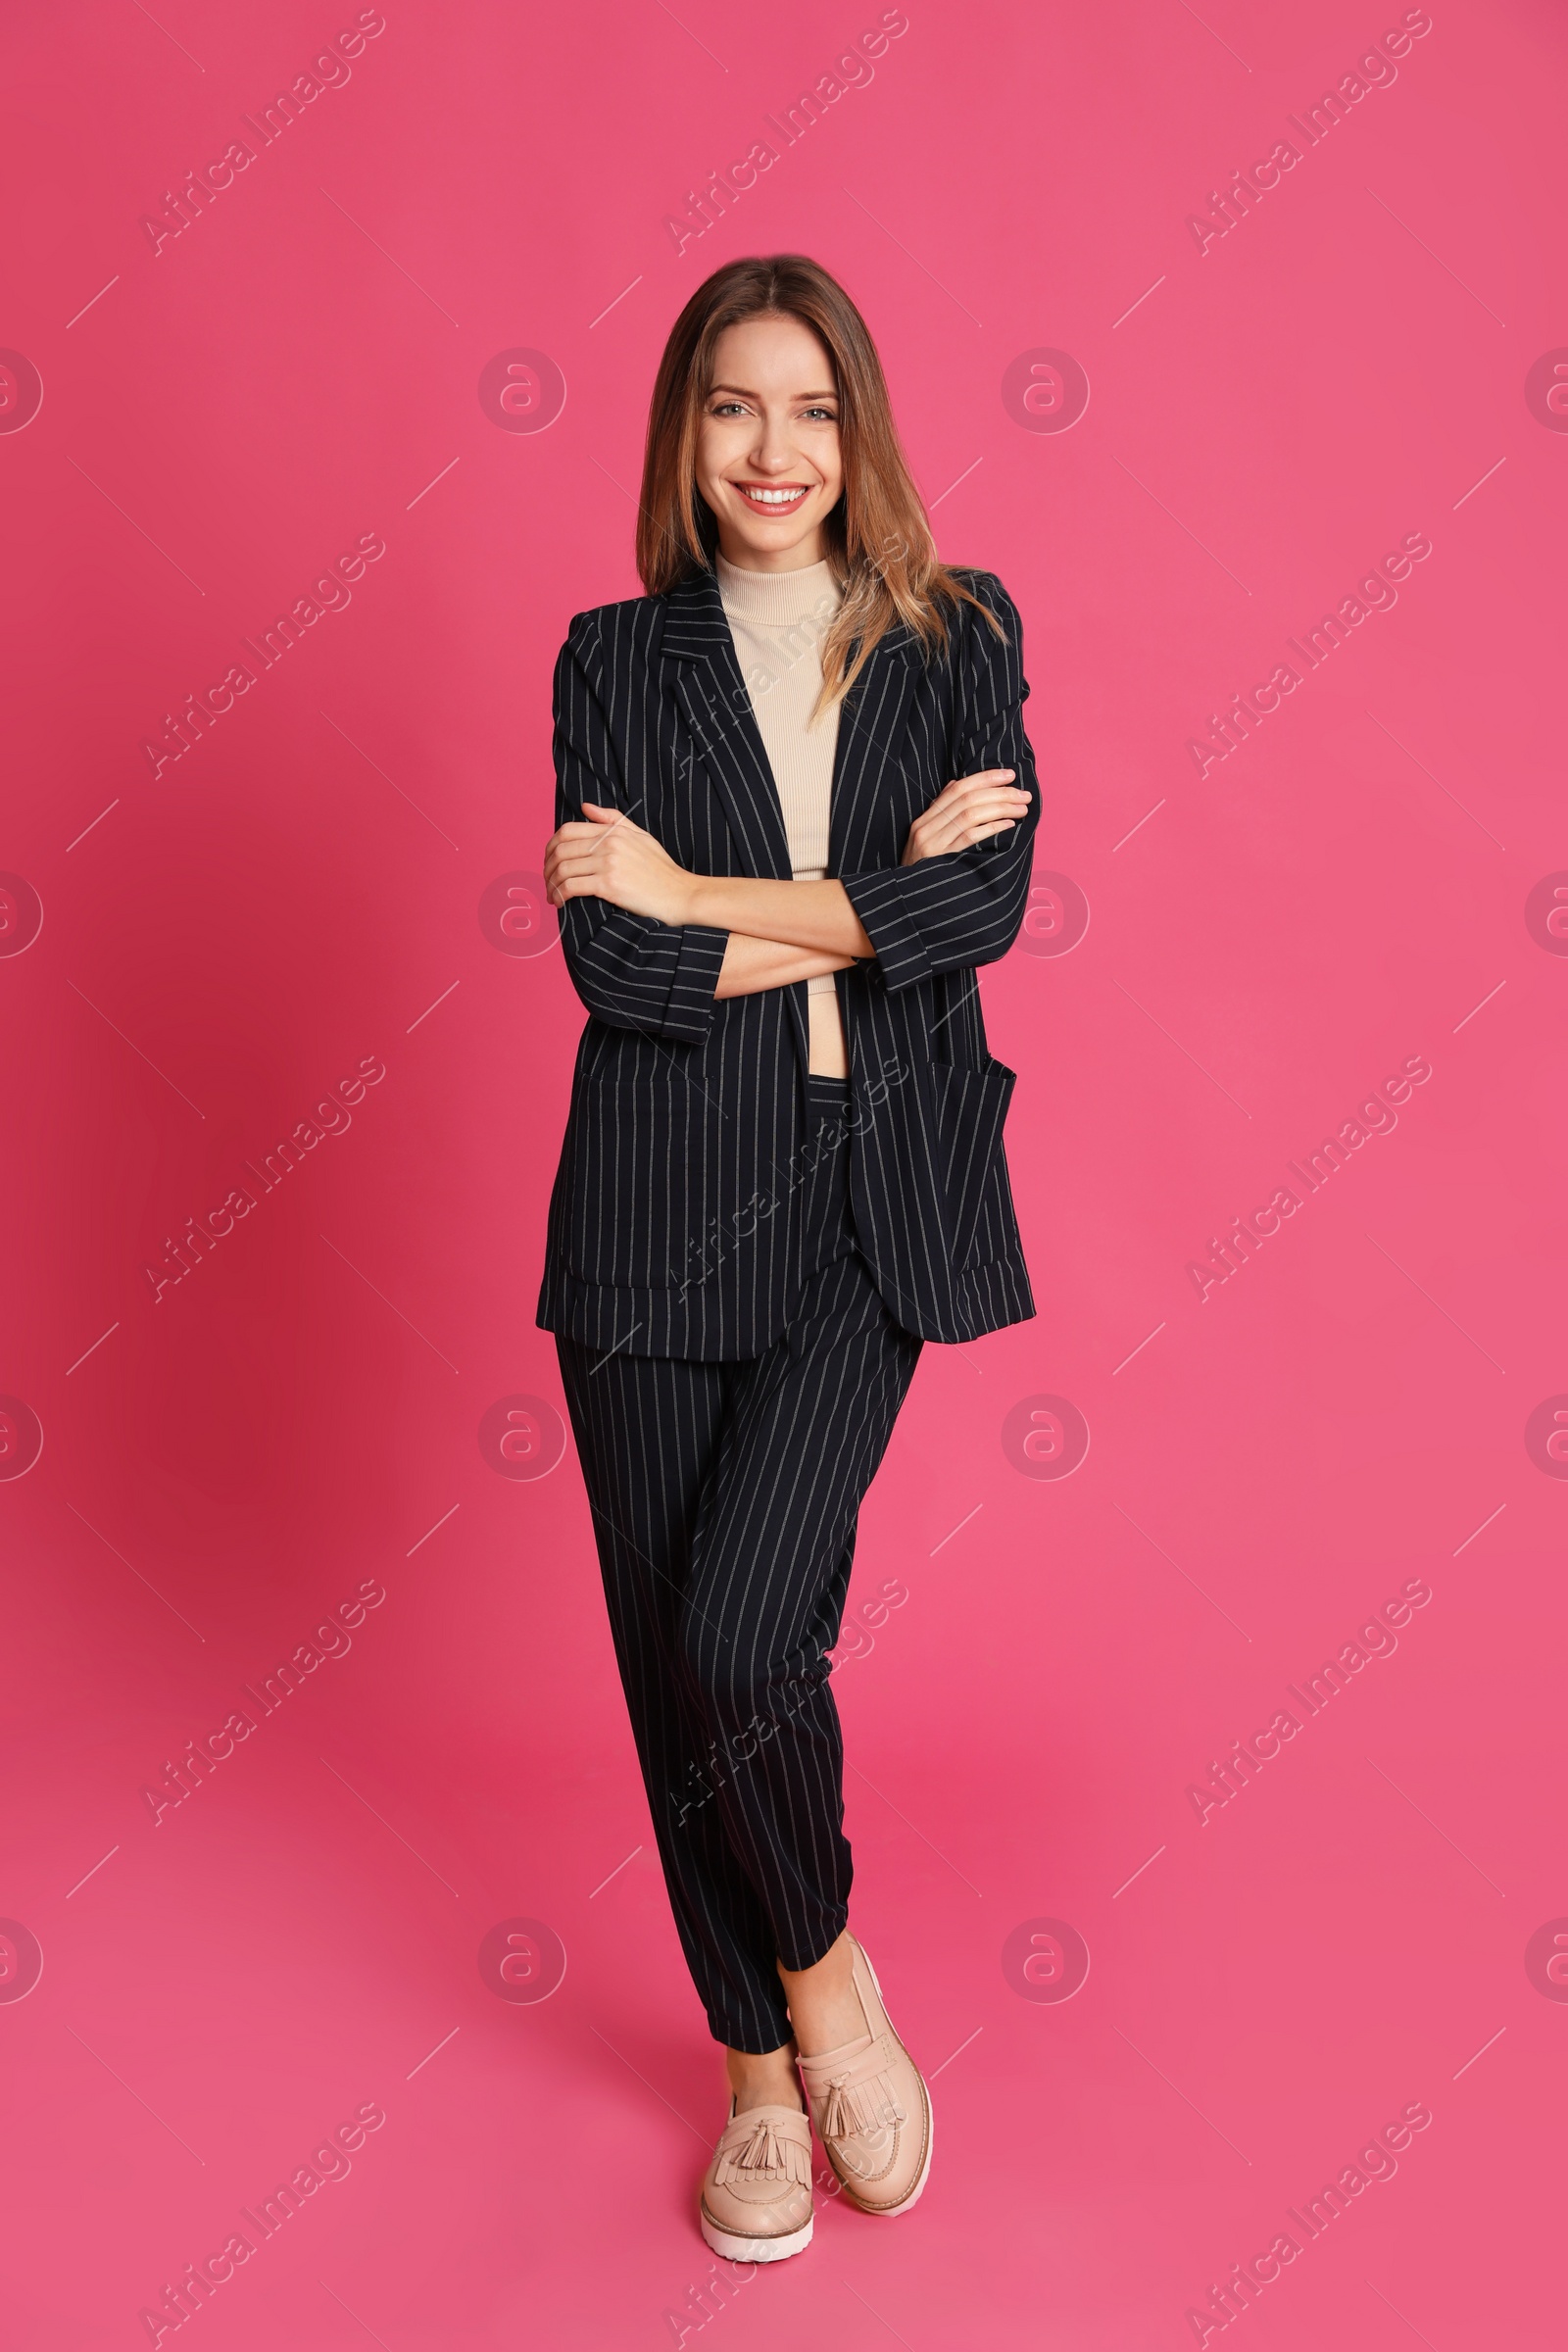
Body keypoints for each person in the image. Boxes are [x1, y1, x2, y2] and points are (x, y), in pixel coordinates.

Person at [538, 252, 1039, 2263]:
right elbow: (612, 962)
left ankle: (824, 1983)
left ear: (860, 429)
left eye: (809, 407)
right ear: (682, 430)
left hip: (871, 1193)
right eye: (733, 407)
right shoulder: (605, 657)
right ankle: (758, 2079)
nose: (771, 447)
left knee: (750, 1631)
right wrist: (866, 897)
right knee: (678, 1672)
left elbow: (982, 904)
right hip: (649, 1205)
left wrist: (710, 897)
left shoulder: (954, 631)